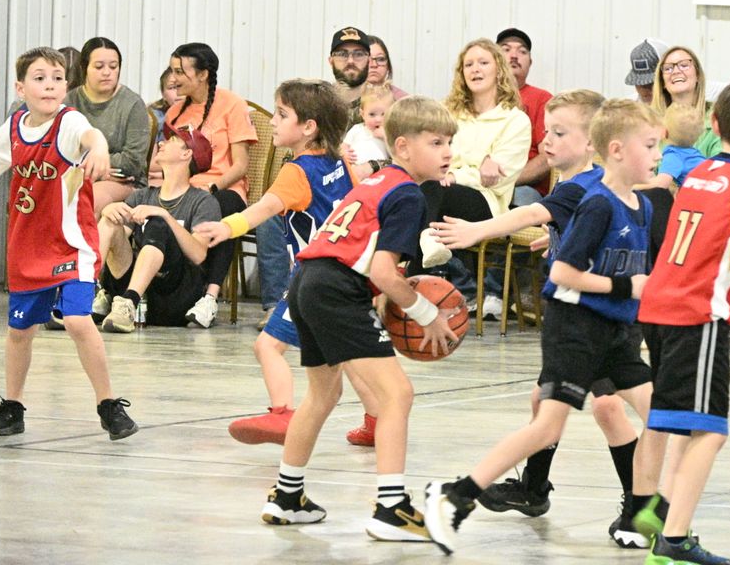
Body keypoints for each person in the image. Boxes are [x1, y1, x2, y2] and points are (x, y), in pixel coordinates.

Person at [423, 99, 663, 556]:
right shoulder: (591, 194)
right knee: (551, 423)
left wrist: (566, 244)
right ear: (614, 149)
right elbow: (536, 220)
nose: (546, 141)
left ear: (594, 144)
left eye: (558, 132)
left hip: (614, 328)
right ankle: (457, 496)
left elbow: (597, 246)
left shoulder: (632, 202)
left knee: (654, 414)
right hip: (579, 325)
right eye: (649, 145)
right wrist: (479, 230)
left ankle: (639, 509)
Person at [258, 96, 460, 542]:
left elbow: (371, 260)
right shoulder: (408, 194)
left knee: (322, 394)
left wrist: (388, 298)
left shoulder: (378, 180)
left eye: (449, 142)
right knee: (397, 395)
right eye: (436, 142)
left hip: (307, 281)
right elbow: (384, 272)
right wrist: (426, 313)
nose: (447, 151)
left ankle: (287, 497)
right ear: (402, 146)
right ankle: (391, 508)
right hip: (336, 289)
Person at [0, 47, 137, 440]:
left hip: (72, 243)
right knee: (20, 331)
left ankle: (108, 404)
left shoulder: (69, 121)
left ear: (66, 86)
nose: (50, 85)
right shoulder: (15, 126)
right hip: (27, 247)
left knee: (77, 320)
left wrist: (99, 148)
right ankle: (13, 407)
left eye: (57, 78)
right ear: (21, 87)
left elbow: (91, 135)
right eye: (40, 78)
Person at [632, 79, 730, 565]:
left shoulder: (697, 173)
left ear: (714, 125)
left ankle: (658, 508)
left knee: (677, 420)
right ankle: (674, 539)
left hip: (657, 305)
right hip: (697, 314)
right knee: (711, 430)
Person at [193, 80, 368, 446]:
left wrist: (226, 227)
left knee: (268, 347)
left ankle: (283, 415)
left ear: (309, 127)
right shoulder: (340, 162)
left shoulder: (298, 171)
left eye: (281, 114)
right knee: (347, 357)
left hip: (316, 277)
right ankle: (376, 421)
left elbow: (264, 209)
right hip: (348, 273)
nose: (271, 121)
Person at [424, 39, 530, 318]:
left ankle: (423, 271)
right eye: (468, 64)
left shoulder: (515, 120)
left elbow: (498, 178)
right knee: (417, 190)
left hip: (488, 203)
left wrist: (455, 172)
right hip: (441, 189)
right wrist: (480, 160)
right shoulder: (447, 114)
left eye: (483, 63)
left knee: (431, 191)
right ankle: (430, 268)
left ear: (498, 70)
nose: (475, 69)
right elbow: (432, 154)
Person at [164, 42, 258, 328]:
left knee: (219, 209)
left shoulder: (232, 104)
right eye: (172, 70)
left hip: (224, 189)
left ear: (203, 74)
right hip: (185, 190)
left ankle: (210, 297)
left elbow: (240, 165)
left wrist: (213, 188)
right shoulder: (174, 113)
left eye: (180, 71)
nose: (173, 78)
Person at [94, 125, 220, 332]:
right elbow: (118, 241)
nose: (161, 142)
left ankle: (129, 302)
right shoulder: (141, 196)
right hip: (139, 294)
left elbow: (198, 254)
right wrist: (110, 211)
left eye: (171, 141)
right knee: (109, 221)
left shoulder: (203, 201)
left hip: (174, 296)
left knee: (158, 224)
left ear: (187, 154)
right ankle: (82, 294)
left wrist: (165, 216)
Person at [66, 37, 153, 215]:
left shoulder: (132, 104)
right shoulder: (69, 101)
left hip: (125, 182)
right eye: (99, 67)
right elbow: (61, 150)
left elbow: (133, 162)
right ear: (84, 68)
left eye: (113, 67)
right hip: (77, 175)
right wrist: (96, 168)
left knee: (88, 200)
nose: (107, 72)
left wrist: (93, 166)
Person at [497, 28, 552, 205]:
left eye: (522, 51)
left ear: (530, 62)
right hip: (478, 182)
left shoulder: (542, 99)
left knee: (522, 198)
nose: (514, 55)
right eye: (506, 49)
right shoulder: (480, 97)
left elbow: (547, 156)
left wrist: (503, 182)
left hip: (523, 186)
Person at [651, 46, 721, 156]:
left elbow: (723, 162)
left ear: (698, 75)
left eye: (684, 65)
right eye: (668, 68)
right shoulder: (650, 122)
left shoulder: (719, 116)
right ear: (662, 82)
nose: (676, 71)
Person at [343, 81, 394, 181]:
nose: (378, 119)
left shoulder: (390, 132)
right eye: (372, 114)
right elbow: (344, 145)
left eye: (383, 114)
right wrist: (344, 152)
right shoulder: (357, 129)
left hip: (380, 172)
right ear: (362, 114)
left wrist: (386, 137)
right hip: (354, 169)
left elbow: (395, 155)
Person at [647, 104, 704, 192]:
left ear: (665, 132)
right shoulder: (695, 154)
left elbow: (661, 183)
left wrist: (634, 186)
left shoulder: (674, 155)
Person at [330, 26, 372, 123]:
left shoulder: (383, 104)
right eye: (342, 54)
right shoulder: (318, 104)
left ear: (369, 61)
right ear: (331, 61)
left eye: (359, 54)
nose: (350, 61)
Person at [626, 38, 670, 105]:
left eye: (650, 84)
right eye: (638, 83)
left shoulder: (682, 106)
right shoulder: (628, 106)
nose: (643, 91)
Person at [367, 35, 409, 100]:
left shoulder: (403, 100)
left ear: (388, 66)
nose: (374, 65)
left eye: (380, 59)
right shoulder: (350, 98)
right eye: (367, 59)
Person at [147, 66, 177, 143]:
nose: (178, 92)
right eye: (172, 87)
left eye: (181, 86)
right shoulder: (154, 118)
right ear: (163, 94)